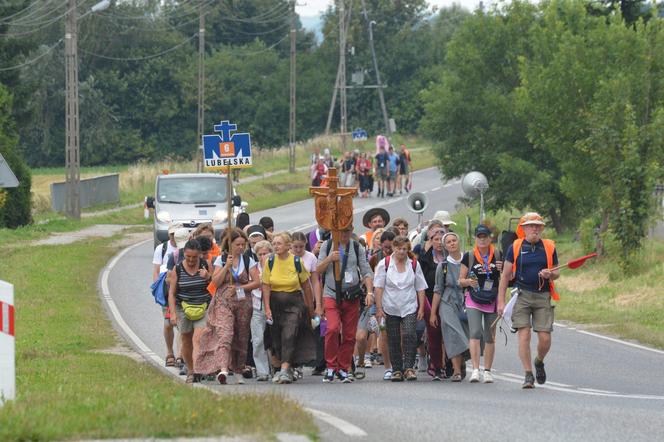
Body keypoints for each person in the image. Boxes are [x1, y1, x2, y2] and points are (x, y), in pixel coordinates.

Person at [497, 212, 559, 389]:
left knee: (545, 338)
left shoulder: (548, 247)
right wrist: (501, 302)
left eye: (538, 225)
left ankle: (539, 361)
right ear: (523, 228)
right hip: (522, 296)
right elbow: (505, 276)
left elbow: (557, 273)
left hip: (543, 296)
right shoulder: (515, 247)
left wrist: (550, 273)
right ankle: (528, 374)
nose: (535, 228)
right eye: (531, 225)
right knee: (524, 336)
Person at [195, 229, 260, 384]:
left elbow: (257, 281)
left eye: (243, 245)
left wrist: (241, 288)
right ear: (229, 245)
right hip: (223, 302)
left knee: (241, 336)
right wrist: (226, 267)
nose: (240, 247)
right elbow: (215, 282)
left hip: (243, 302)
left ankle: (238, 368)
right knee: (225, 333)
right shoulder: (221, 259)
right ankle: (223, 368)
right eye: (237, 244)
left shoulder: (247, 260)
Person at [317, 226, 374, 383]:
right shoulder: (327, 246)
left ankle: (343, 368)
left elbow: (366, 270)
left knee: (349, 335)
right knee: (333, 328)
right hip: (331, 293)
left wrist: (369, 292)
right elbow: (317, 270)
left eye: (347, 231)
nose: (344, 234)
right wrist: (329, 259)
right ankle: (330, 366)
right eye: (341, 231)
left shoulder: (357, 247)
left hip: (351, 295)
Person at [262, 232, 319, 384]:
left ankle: (285, 370)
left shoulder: (296, 261)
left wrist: (310, 307)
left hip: (294, 303)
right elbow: (266, 285)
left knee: (289, 334)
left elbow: (306, 286)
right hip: (275, 303)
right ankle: (284, 367)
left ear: (288, 246)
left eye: (279, 243)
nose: (276, 246)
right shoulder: (270, 261)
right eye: (274, 244)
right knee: (276, 337)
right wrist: (267, 307)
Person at [374, 235, 427, 382]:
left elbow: (420, 287)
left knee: (410, 334)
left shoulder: (414, 264)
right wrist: (379, 308)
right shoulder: (384, 264)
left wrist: (421, 307)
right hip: (390, 306)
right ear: (393, 248)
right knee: (394, 338)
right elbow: (378, 287)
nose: (401, 252)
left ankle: (409, 367)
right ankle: (397, 369)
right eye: (398, 248)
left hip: (409, 305)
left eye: (404, 249)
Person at [459, 225, 503, 383]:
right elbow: (460, 281)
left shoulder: (498, 254)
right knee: (475, 332)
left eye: (485, 236)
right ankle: (476, 370)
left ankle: (488, 371)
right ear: (475, 239)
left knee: (490, 336)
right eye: (479, 237)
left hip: (492, 298)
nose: (482, 239)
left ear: (490, 238)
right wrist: (469, 282)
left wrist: (503, 269)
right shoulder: (469, 256)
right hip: (474, 298)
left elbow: (507, 279)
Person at [167, 239, 212, 383]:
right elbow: (172, 294)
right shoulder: (178, 269)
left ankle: (198, 370)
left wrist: (208, 277)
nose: (191, 260)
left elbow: (215, 287)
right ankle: (191, 370)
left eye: (194, 257)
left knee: (197, 338)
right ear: (184, 254)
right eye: (188, 257)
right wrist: (173, 313)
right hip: (183, 308)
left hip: (203, 307)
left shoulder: (206, 265)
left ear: (199, 255)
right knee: (186, 340)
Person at [430, 232, 469, 382]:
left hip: (465, 302)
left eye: (454, 240)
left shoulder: (468, 260)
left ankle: (463, 360)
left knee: (466, 334)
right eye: (449, 242)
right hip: (447, 302)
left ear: (459, 242)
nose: (452, 243)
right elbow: (438, 290)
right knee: (452, 334)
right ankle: (456, 371)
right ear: (445, 246)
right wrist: (433, 313)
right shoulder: (443, 266)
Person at [417, 225, 446, 380]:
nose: (440, 242)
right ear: (431, 241)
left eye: (442, 239)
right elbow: (419, 279)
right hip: (428, 298)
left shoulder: (451, 257)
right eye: (436, 239)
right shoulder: (425, 257)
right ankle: (436, 365)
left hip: (447, 299)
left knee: (447, 332)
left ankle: (451, 365)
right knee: (434, 331)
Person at [152, 222, 181, 367]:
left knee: (182, 323)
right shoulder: (162, 248)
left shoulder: (186, 248)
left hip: (182, 290)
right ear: (169, 235)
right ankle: (170, 352)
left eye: (177, 234)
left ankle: (181, 356)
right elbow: (156, 271)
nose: (175, 237)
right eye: (172, 234)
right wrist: (158, 290)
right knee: (168, 323)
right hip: (166, 289)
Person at [250, 240, 273, 381]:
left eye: (265, 253)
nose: (263, 256)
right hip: (257, 305)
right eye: (260, 254)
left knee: (275, 339)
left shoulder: (276, 266)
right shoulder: (253, 268)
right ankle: (262, 371)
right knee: (258, 339)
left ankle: (277, 367)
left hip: (273, 305)